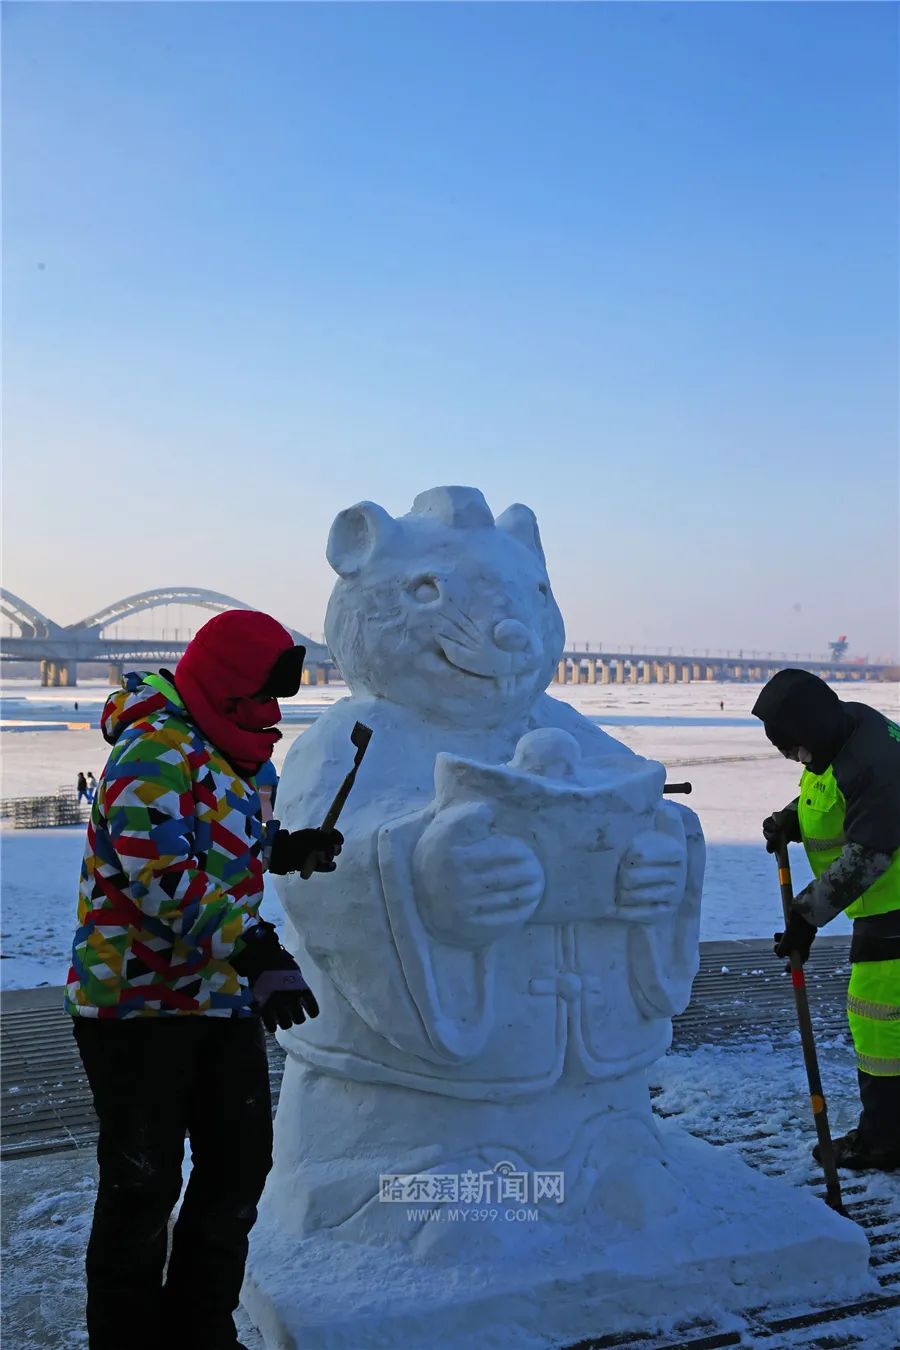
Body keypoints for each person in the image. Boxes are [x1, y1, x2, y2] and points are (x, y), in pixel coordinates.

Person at [65, 610, 344, 1350]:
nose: (275, 712)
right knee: (141, 1185)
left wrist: (288, 850)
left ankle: (200, 1329)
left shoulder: (239, 757)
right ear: (225, 688)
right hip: (134, 1007)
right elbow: (158, 873)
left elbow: (226, 838)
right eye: (262, 695)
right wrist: (256, 951)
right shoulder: (152, 751)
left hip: (217, 999)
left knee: (238, 1167)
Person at [753, 668, 900, 1172]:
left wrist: (805, 918)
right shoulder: (844, 729)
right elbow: (831, 789)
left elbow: (870, 855)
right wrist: (795, 815)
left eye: (795, 750)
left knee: (881, 1024)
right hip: (883, 908)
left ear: (811, 732)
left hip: (894, 910)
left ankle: (885, 1141)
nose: (795, 759)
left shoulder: (875, 763)